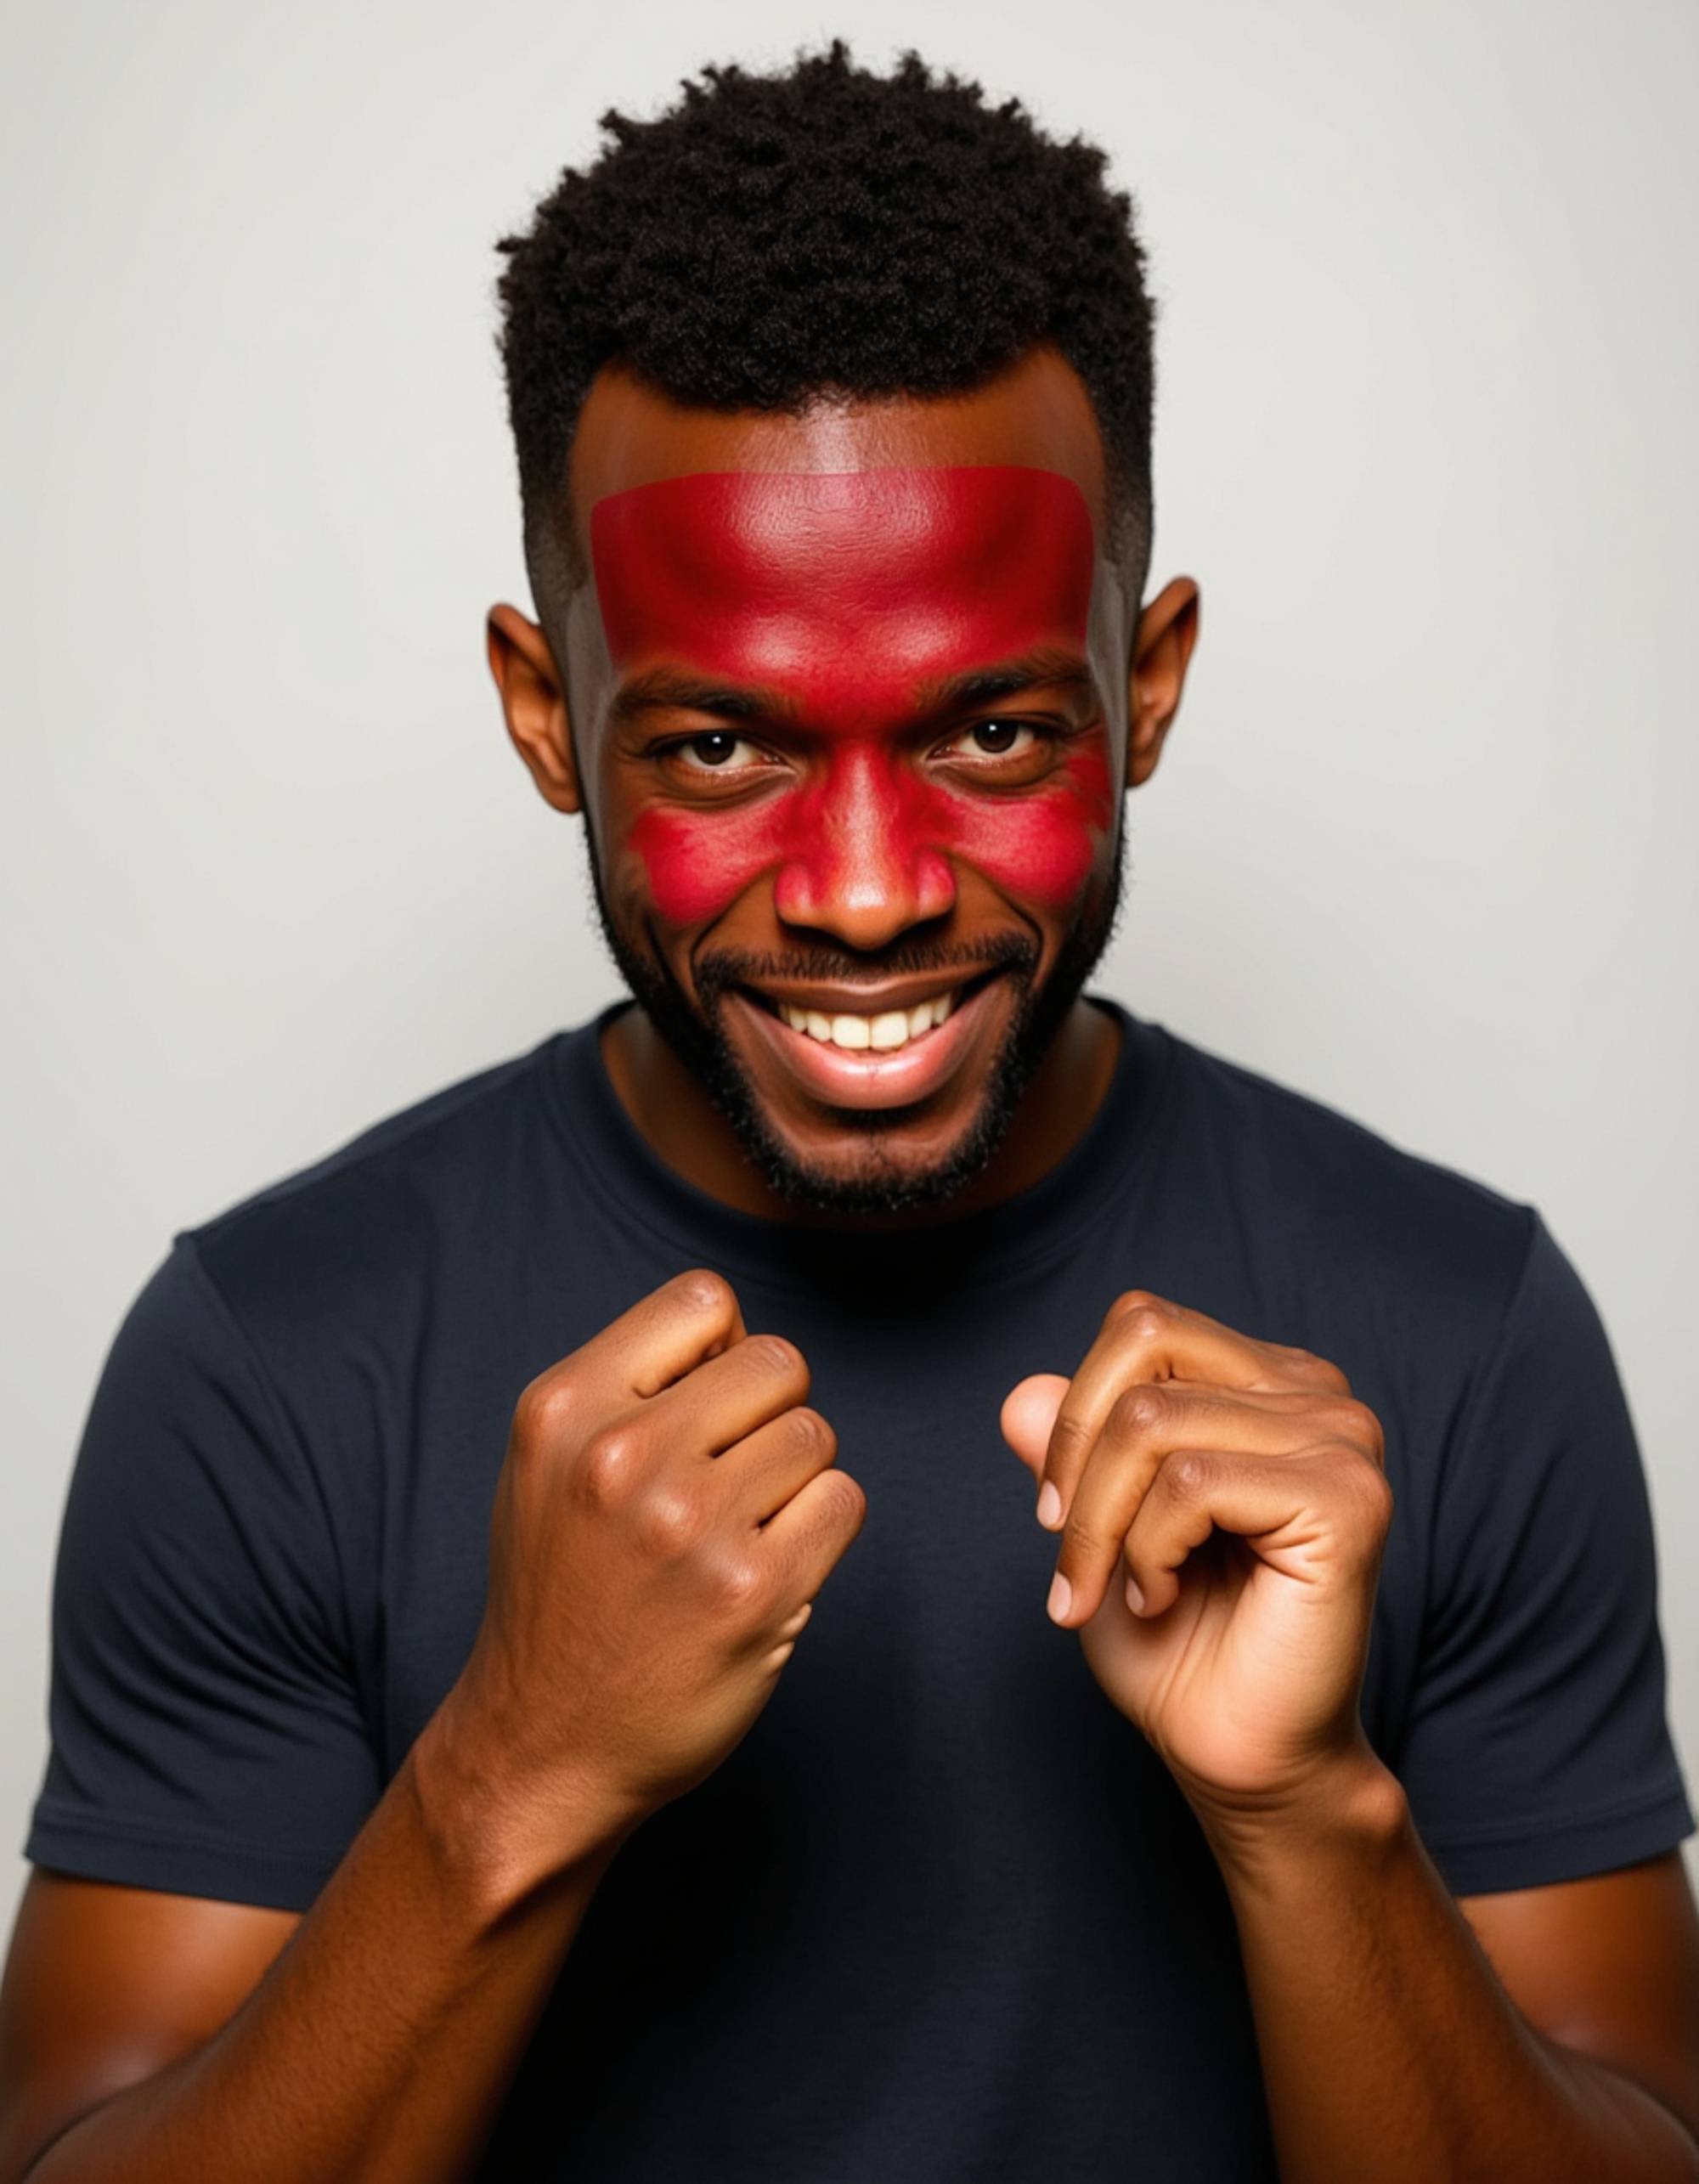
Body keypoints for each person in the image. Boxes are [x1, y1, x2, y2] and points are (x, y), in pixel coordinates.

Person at [3, 38, 1696, 2184]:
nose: (872, 893)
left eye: (993, 730)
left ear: (1145, 683)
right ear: (550, 714)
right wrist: (506, 1770)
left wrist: (1311, 1815)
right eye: (718, 749)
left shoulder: (1457, 1325)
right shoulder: (272, 1356)